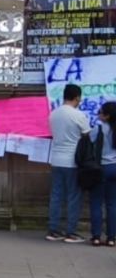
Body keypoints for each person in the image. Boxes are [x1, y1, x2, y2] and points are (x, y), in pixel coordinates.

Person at [47, 84, 91, 243]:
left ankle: (53, 230)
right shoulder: (79, 115)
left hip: (56, 159)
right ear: (77, 97)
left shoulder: (53, 114)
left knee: (56, 195)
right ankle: (71, 232)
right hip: (73, 161)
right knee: (74, 196)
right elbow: (88, 135)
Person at [90, 102, 116, 246]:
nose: (99, 115)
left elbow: (89, 141)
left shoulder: (98, 129)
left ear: (107, 116)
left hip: (100, 168)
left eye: (101, 112)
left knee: (96, 203)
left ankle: (96, 236)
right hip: (115, 167)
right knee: (112, 204)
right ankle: (112, 238)